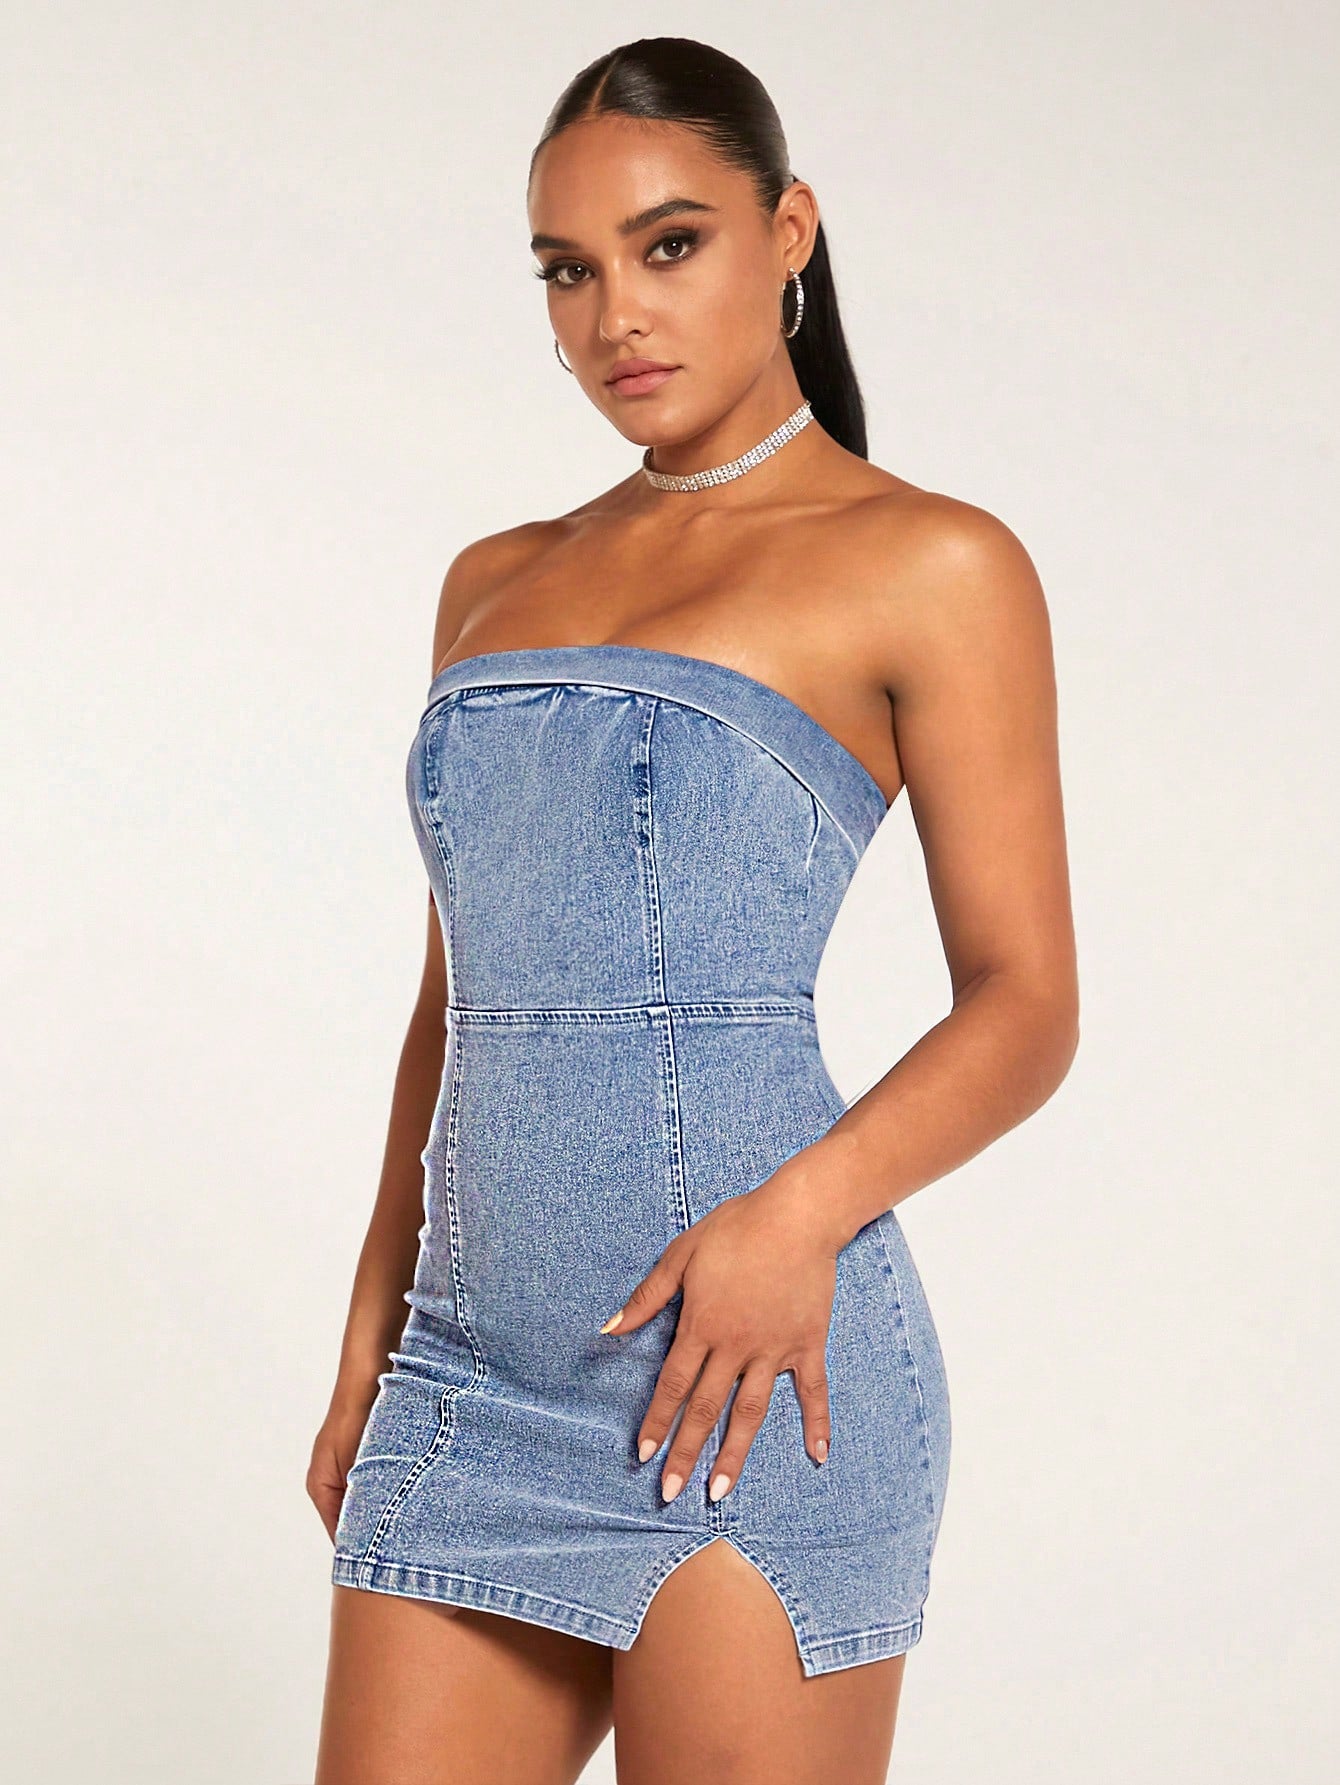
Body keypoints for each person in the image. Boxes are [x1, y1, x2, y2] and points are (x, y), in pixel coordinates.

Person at [308, 34, 1079, 1785]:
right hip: (467, 1370)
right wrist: (371, 1326)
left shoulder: (931, 562)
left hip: (747, 1367)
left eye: (670, 246)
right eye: (567, 272)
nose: (615, 318)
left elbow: (1026, 1002)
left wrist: (793, 1223)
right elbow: (453, 1006)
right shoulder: (493, 582)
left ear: (788, 232)